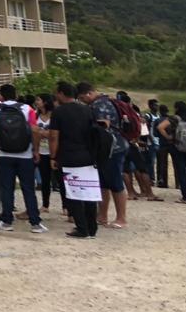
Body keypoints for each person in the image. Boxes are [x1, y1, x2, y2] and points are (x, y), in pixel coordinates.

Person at [0, 83, 46, 234]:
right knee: (28, 189)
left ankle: (7, 221)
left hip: (4, 154)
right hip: (25, 154)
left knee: (7, 188)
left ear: (1, 96)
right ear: (16, 95)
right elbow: (35, 130)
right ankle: (35, 222)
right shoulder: (27, 109)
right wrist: (36, 150)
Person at [49, 81, 98, 239]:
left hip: (69, 156)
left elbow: (54, 136)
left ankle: (81, 228)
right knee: (89, 192)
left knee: (74, 192)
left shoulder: (59, 112)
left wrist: (53, 156)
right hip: (88, 156)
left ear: (61, 93)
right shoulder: (87, 109)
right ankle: (92, 227)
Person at [81, 83, 128, 227]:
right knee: (103, 183)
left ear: (89, 93)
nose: (82, 101)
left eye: (82, 98)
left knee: (115, 183)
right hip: (108, 148)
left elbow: (103, 126)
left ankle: (121, 218)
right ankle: (102, 215)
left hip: (112, 148)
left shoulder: (100, 105)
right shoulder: (105, 101)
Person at [158, 100, 186, 203]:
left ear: (177, 108)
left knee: (181, 172)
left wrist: (168, 137)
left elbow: (160, 127)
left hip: (179, 147)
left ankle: (185, 197)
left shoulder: (175, 118)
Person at [35, 94, 57, 212]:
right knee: (45, 179)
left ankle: (65, 207)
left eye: (38, 100)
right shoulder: (35, 115)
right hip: (41, 151)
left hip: (54, 151)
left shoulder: (55, 115)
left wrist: (44, 133)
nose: (36, 102)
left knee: (60, 179)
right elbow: (33, 130)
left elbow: (57, 133)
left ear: (45, 102)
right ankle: (45, 205)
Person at [151, 102, 171, 189]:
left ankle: (162, 181)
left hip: (162, 143)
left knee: (161, 163)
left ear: (160, 111)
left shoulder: (157, 121)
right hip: (172, 143)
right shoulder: (171, 119)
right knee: (176, 164)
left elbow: (155, 134)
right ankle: (178, 183)